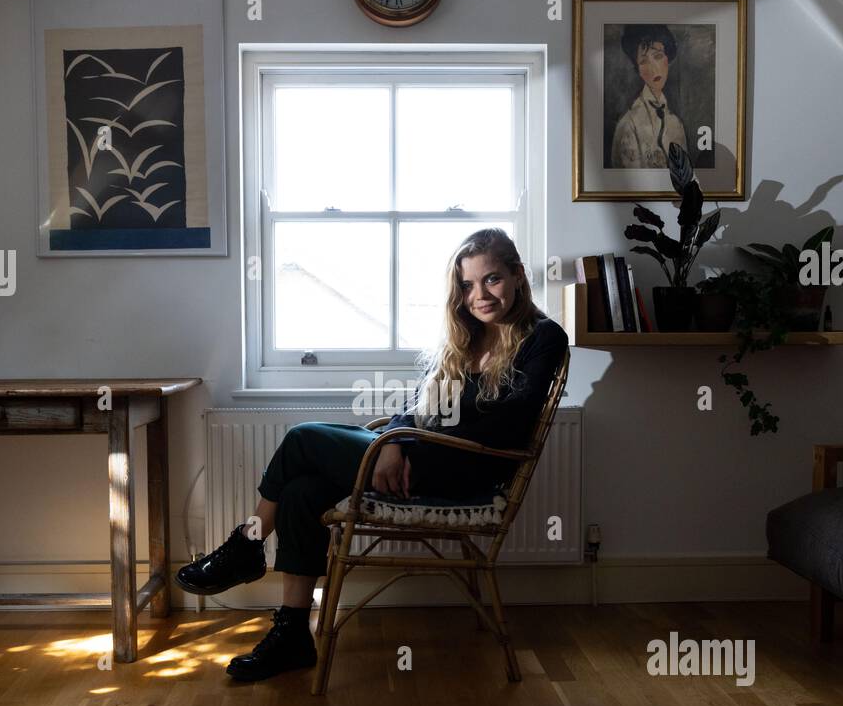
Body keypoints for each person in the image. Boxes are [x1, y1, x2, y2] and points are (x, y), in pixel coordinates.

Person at [174, 227, 569, 682]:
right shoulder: (464, 341)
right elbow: (412, 412)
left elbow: (511, 424)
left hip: (469, 472)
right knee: (302, 492)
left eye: (492, 279)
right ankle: (292, 636)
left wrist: (407, 446)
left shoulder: (543, 337)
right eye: (467, 285)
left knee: (304, 438)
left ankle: (246, 545)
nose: (479, 294)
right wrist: (397, 442)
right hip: (424, 459)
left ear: (518, 275)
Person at [610, 24, 690, 169]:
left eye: (658, 57)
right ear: (638, 69)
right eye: (644, 61)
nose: (653, 69)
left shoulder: (676, 124)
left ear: (668, 59)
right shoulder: (629, 124)